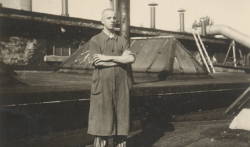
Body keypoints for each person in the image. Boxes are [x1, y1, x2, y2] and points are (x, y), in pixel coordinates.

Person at [87, 8, 136, 147]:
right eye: (109, 18)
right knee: (102, 124)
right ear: (102, 21)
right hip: (102, 87)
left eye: (114, 18)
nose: (113, 20)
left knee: (121, 122)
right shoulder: (95, 40)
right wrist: (121, 59)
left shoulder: (122, 40)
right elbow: (97, 61)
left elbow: (131, 59)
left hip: (121, 87)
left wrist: (107, 57)